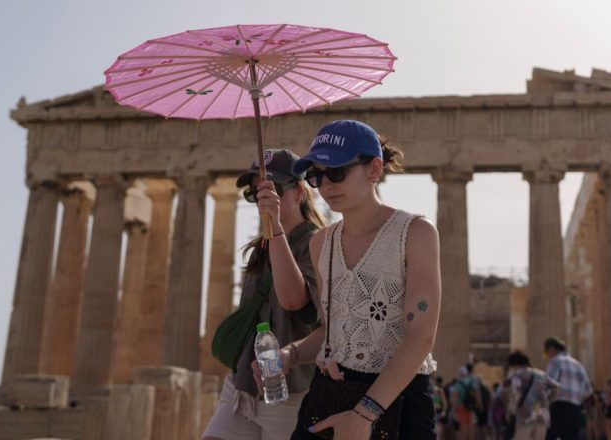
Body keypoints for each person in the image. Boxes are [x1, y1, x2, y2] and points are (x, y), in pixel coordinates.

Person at [270, 120, 441, 439]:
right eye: (316, 175)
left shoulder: (416, 233)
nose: (326, 185)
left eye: (337, 171)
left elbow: (421, 336)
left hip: (398, 399)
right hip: (331, 393)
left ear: (374, 169)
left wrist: (365, 414)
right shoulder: (320, 243)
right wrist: (290, 354)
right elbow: (330, 330)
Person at [202, 149, 327, 440]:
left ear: (298, 193)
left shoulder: (317, 243)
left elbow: (293, 300)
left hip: (290, 392)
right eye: (254, 193)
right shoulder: (260, 248)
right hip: (241, 388)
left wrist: (277, 230)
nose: (262, 199)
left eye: (272, 190)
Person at [543, 337, 593, 440]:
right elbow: (588, 391)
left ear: (552, 349)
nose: (547, 356)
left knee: (548, 436)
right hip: (575, 410)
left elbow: (549, 384)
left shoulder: (555, 361)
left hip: (559, 407)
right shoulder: (578, 365)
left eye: (546, 352)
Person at [505, 351, 560, 440]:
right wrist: (547, 398)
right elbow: (556, 387)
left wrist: (511, 411)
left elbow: (516, 394)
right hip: (542, 414)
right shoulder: (541, 374)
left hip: (525, 415)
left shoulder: (517, 375)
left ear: (514, 364)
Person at [452, 366, 480, 440]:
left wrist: (454, 408)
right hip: (471, 407)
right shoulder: (472, 381)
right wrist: (478, 404)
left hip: (461, 407)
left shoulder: (458, 384)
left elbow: (455, 397)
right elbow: (476, 393)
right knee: (471, 426)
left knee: (463, 426)